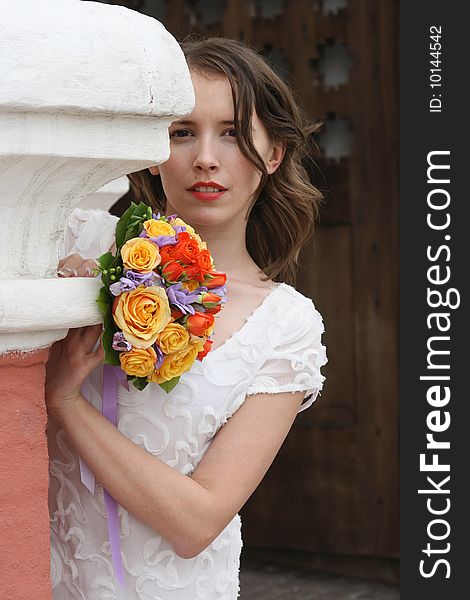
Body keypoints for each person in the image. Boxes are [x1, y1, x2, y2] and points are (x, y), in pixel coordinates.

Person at [46, 36, 327, 600]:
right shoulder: (80, 243)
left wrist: (67, 402)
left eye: (231, 132)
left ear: (273, 153)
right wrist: (56, 302)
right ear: (154, 150)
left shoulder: (285, 328)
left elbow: (196, 523)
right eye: (182, 133)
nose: (205, 157)